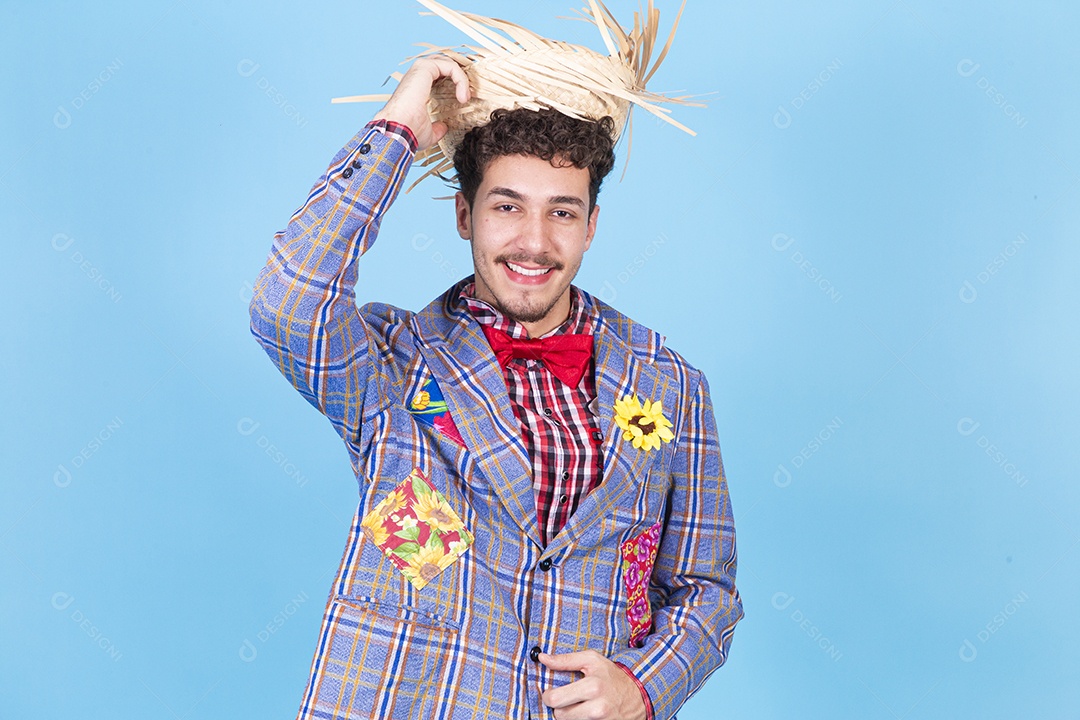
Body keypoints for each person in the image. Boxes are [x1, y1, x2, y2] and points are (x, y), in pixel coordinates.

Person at [249, 54, 742, 720]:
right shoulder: (391, 364)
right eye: (507, 207)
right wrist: (398, 133)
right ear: (464, 215)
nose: (533, 243)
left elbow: (705, 590)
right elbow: (288, 298)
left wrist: (643, 687)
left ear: (592, 226)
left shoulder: (671, 382)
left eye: (562, 213)